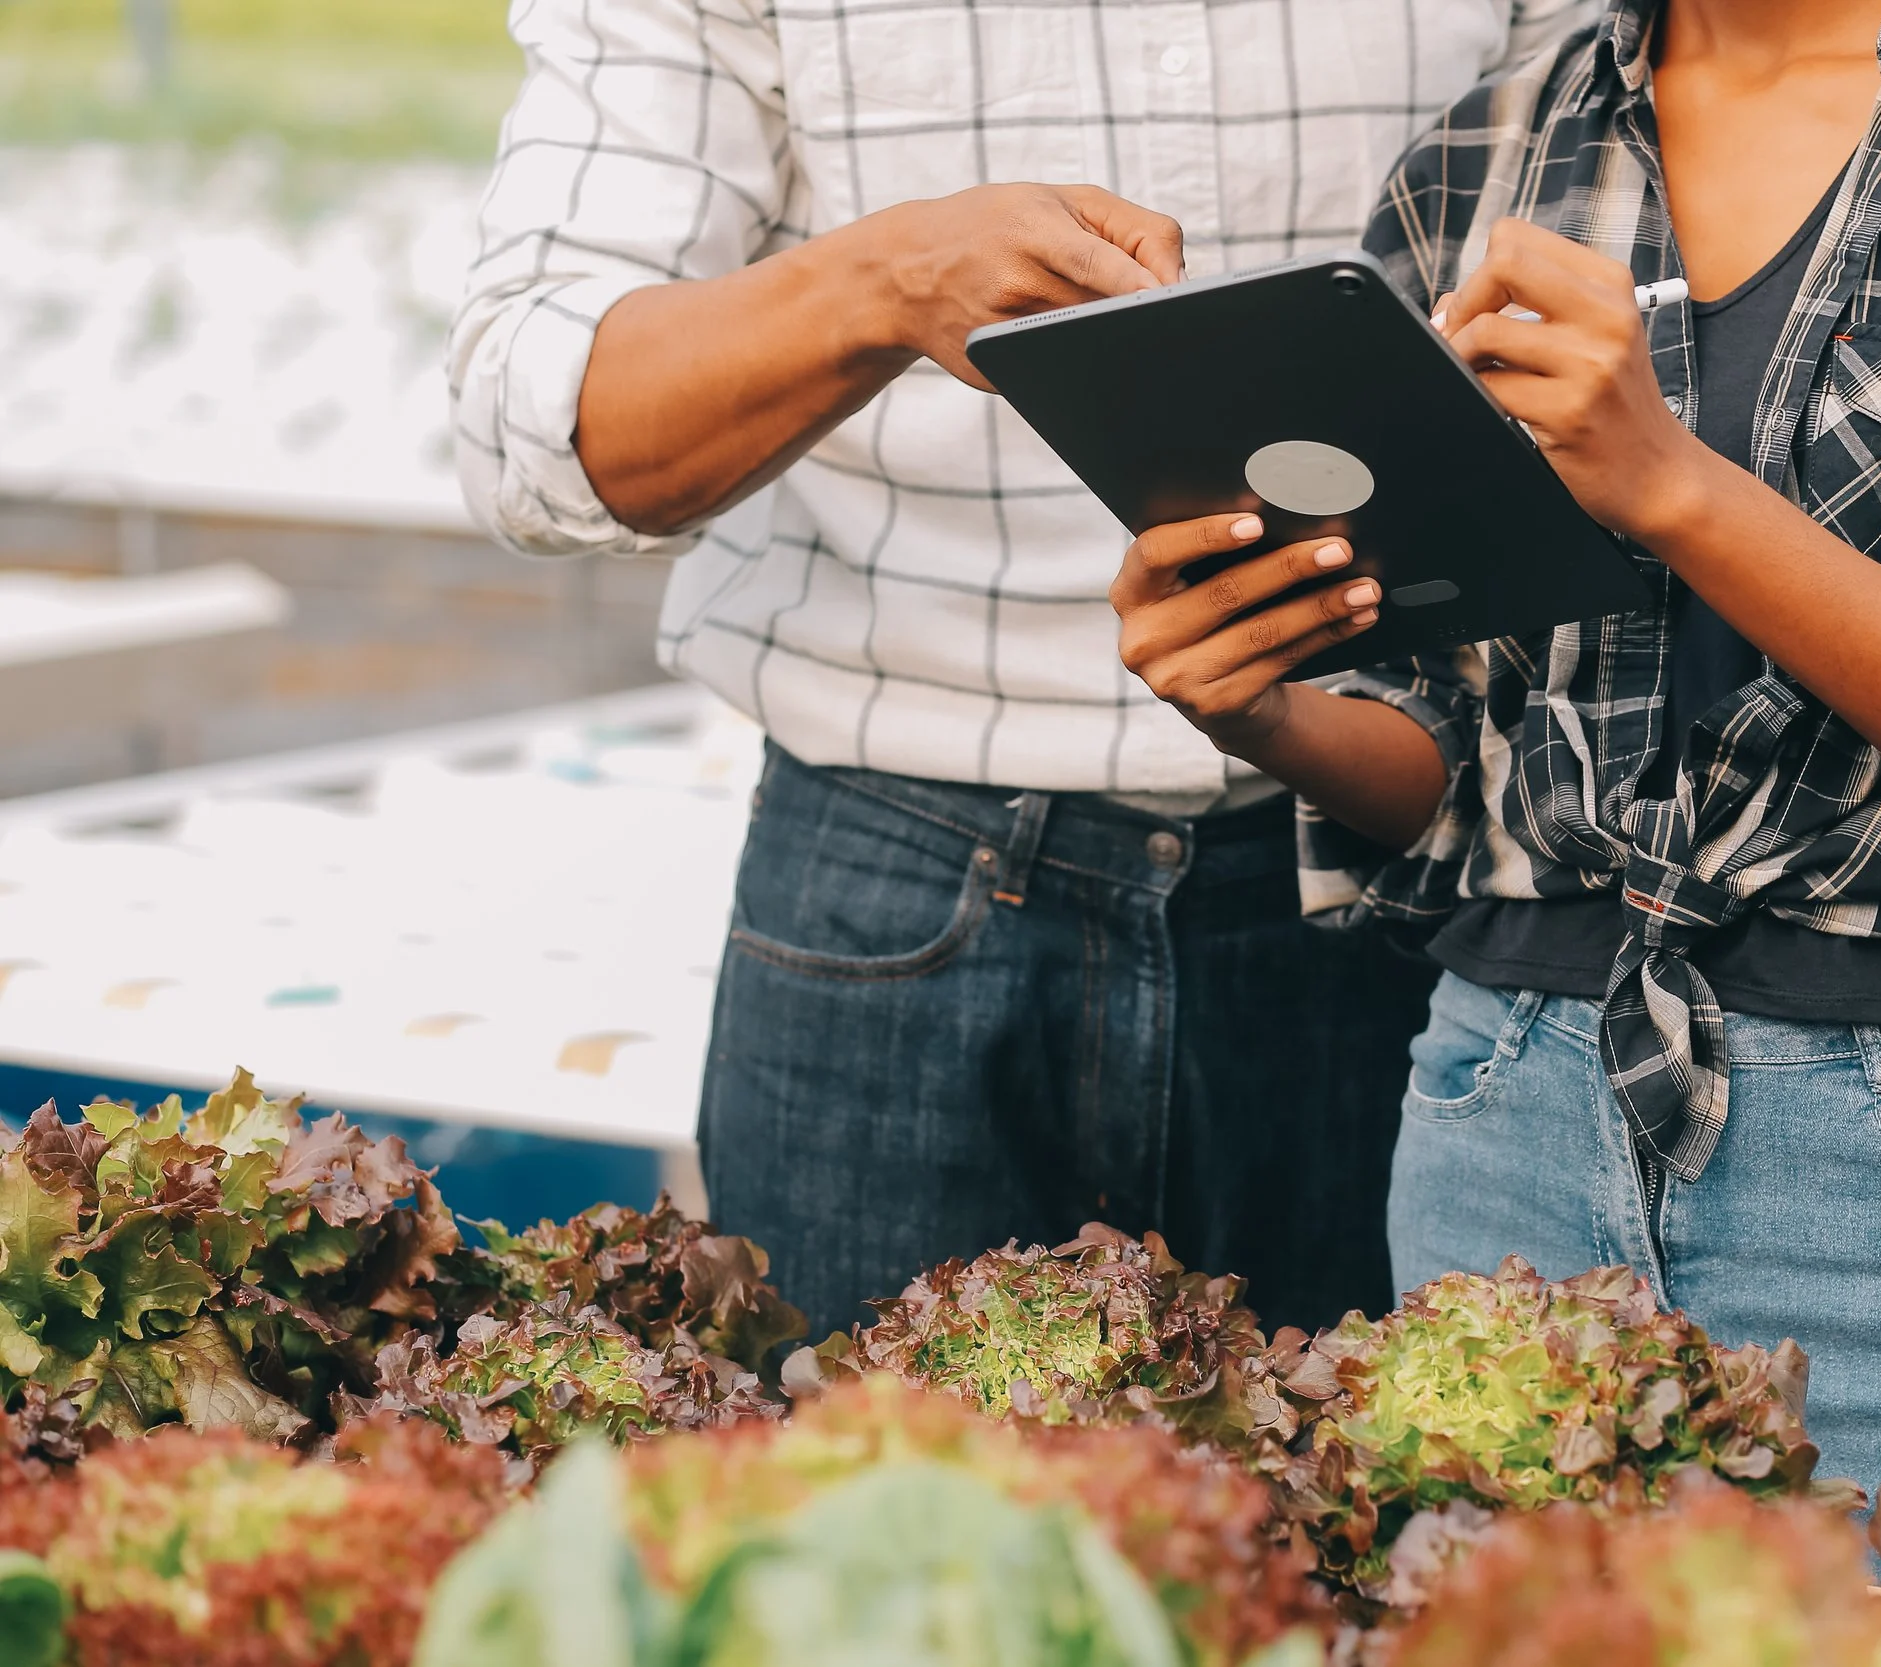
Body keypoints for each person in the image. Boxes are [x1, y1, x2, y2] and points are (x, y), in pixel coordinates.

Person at [1109, 0, 1881, 1490]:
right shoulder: (1489, 147)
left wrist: (1674, 488)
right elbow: (1449, 768)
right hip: (1504, 1117)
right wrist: (1259, 707)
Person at [449, 0, 1603, 1336]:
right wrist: (881, 281)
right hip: (897, 882)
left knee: (1360, 1532)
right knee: (859, 1518)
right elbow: (537, 431)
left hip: (1389, 859)